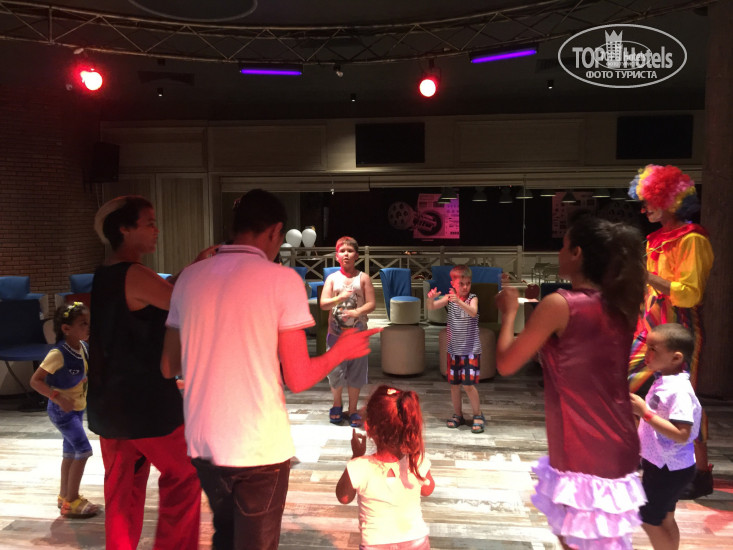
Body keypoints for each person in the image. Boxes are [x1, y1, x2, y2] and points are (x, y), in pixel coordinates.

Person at [160, 189, 380, 550]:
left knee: (224, 537)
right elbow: (298, 377)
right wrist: (339, 351)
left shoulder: (189, 277)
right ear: (276, 231)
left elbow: (169, 365)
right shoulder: (282, 280)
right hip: (258, 446)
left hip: (202, 440)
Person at [495, 213, 647, 550]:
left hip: (582, 441)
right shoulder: (622, 305)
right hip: (617, 437)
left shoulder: (561, 305)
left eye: (563, 247)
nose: (559, 253)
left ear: (578, 253)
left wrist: (509, 313)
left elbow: (506, 363)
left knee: (577, 540)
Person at [88, 195, 209, 550]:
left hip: (110, 402)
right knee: (185, 473)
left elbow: (166, 291)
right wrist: (205, 273)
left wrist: (192, 268)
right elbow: (183, 301)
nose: (157, 230)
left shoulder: (107, 272)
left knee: (122, 491)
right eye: (149, 223)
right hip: (144, 403)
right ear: (125, 229)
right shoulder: (135, 274)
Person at [627, 164, 714, 499]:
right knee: (625, 384)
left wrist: (646, 276)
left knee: (683, 401)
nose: (644, 208)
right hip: (648, 327)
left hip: (679, 328)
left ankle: (700, 473)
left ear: (670, 201)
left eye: (650, 201)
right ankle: (639, 456)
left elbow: (690, 294)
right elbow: (647, 290)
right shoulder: (654, 240)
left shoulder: (693, 240)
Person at [629, 323, 701, 550]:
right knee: (666, 517)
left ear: (676, 357)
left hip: (668, 468)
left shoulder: (679, 391)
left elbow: (682, 434)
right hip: (662, 463)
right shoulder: (665, 381)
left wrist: (645, 413)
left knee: (649, 518)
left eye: (653, 349)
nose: (646, 354)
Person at [336, 385, 434, 550]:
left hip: (375, 543)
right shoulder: (416, 461)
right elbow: (428, 490)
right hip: (416, 541)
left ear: (368, 427)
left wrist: (356, 456)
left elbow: (344, 497)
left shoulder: (359, 466)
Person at [29, 302, 99, 519]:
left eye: (88, 322)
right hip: (62, 412)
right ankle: (72, 500)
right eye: (83, 323)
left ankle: (64, 495)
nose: (88, 327)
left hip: (76, 409)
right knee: (84, 451)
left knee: (70, 453)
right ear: (66, 328)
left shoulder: (83, 347)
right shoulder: (57, 354)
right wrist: (57, 397)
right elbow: (35, 381)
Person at [320, 236, 376, 427]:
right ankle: (337, 404)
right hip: (336, 335)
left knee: (356, 372)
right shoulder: (332, 278)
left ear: (356, 255)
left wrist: (357, 312)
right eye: (342, 251)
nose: (346, 254)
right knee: (334, 371)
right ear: (337, 256)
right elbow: (323, 304)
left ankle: (353, 409)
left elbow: (371, 303)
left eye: (350, 251)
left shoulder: (363, 278)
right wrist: (339, 298)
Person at [426, 265, 484, 433]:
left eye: (468, 283)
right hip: (454, 350)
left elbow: (473, 312)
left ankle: (478, 414)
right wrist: (431, 299)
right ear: (453, 283)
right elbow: (431, 307)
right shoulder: (449, 298)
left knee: (468, 385)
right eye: (461, 284)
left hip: (470, 350)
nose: (465, 287)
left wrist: (458, 301)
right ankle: (458, 414)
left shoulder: (472, 298)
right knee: (454, 385)